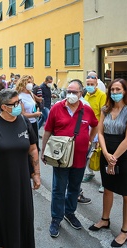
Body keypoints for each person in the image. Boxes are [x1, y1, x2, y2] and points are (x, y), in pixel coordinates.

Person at [0, 89, 41, 248]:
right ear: (4, 107)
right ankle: (4, 245)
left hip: (21, 180)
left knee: (23, 215)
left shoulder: (24, 122)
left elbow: (33, 149)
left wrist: (36, 174)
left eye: (19, 101)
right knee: (3, 216)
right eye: (16, 103)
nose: (19, 105)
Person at [41, 80, 98, 237]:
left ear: (81, 93)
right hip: (60, 158)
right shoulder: (56, 108)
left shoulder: (86, 110)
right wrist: (44, 150)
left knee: (74, 188)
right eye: (69, 91)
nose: (71, 95)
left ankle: (70, 213)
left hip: (80, 157)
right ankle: (56, 218)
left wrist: (89, 141)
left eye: (75, 92)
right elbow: (47, 130)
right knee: (58, 189)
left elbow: (95, 125)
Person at [89, 78, 127, 248]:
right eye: (112, 90)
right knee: (107, 189)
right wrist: (106, 154)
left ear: (125, 91)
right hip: (106, 153)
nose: (115, 93)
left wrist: (113, 157)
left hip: (123, 157)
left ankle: (124, 231)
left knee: (126, 193)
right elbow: (100, 133)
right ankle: (104, 219)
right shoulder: (105, 109)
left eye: (118, 89)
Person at [82, 71, 107, 194]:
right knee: (87, 153)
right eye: (88, 83)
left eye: (92, 83)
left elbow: (103, 114)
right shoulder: (86, 95)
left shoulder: (102, 95)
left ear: (96, 83)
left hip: (97, 129)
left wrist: (100, 133)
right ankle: (90, 173)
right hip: (87, 129)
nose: (90, 85)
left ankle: (104, 182)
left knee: (101, 156)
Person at [16, 75, 42, 155]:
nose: (31, 84)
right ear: (23, 83)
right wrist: (35, 114)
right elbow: (22, 114)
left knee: (35, 145)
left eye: (31, 82)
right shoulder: (20, 97)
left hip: (34, 123)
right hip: (25, 124)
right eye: (29, 82)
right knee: (28, 147)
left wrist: (37, 110)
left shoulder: (31, 93)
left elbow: (35, 105)